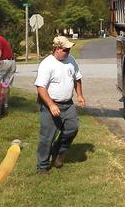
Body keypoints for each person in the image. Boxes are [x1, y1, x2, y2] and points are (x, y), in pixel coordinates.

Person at [34, 35, 86, 174]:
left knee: (72, 128)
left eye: (69, 49)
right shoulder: (47, 64)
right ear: (57, 49)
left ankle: (58, 152)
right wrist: (51, 105)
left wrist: (79, 95)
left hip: (68, 104)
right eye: (66, 49)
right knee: (47, 136)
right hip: (49, 105)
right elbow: (41, 87)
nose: (68, 52)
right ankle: (42, 166)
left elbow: (77, 78)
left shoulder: (70, 60)